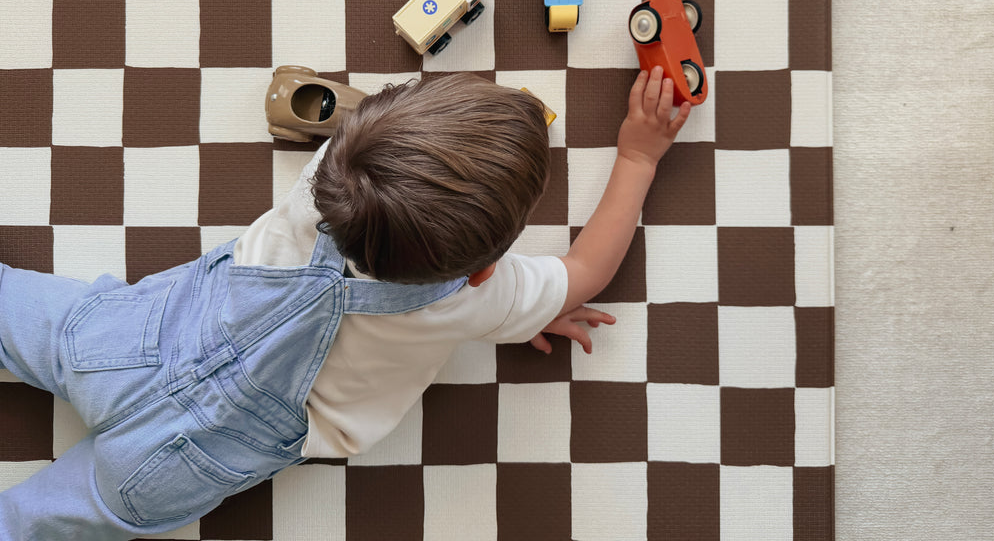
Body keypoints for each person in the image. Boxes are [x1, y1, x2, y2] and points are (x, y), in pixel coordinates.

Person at [0, 66, 690, 539]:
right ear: (480, 272)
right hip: (181, 462)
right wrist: (639, 158)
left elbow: (374, 135)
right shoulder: (479, 298)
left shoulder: (324, 180)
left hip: (123, 343)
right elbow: (587, 269)